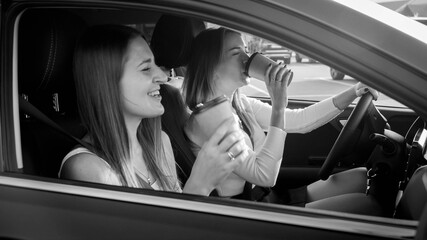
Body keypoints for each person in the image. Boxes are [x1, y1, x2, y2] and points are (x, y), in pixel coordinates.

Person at [183, 27, 381, 213]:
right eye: (236, 53)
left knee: (360, 177)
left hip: (265, 197)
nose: (247, 59)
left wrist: (353, 92)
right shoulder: (212, 118)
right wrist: (278, 105)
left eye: (246, 51)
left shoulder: (238, 102)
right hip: (246, 210)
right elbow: (264, 175)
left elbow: (300, 120)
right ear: (210, 65)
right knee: (366, 205)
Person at [58, 25, 249, 196]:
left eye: (156, 64)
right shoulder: (88, 168)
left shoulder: (160, 142)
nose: (162, 76)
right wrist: (200, 185)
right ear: (106, 83)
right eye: (145, 68)